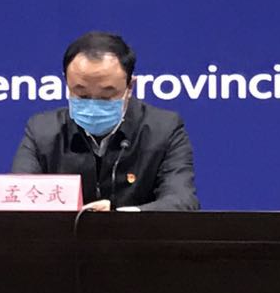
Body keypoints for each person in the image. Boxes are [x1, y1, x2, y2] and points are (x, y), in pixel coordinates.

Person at [10, 31, 198, 211]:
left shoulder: (164, 130)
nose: (93, 105)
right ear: (67, 84)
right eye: (82, 95)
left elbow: (182, 201)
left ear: (130, 87)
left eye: (106, 97)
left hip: (137, 233)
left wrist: (119, 217)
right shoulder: (42, 132)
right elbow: (15, 203)